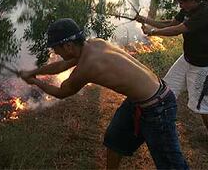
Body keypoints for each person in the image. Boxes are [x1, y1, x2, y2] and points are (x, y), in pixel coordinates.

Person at [19, 18, 188, 170]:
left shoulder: (87, 67)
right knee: (115, 139)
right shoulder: (95, 44)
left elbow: (62, 92)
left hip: (158, 107)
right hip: (142, 100)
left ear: (68, 46)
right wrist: (34, 72)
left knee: (171, 165)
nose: (56, 53)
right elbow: (63, 65)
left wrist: (34, 81)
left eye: (56, 48)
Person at [136, 0, 208, 155]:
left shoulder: (206, 12)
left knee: (201, 105)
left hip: (203, 66)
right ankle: (162, 125)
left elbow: (178, 30)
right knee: (166, 90)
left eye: (182, 2)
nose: (180, 6)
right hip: (188, 58)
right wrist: (147, 20)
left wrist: (152, 32)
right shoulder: (188, 8)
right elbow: (171, 23)